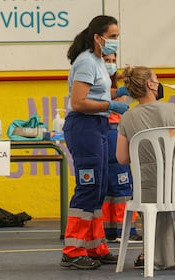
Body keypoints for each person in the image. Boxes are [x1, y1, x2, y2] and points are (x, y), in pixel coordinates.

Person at [59, 15, 129, 270]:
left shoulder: (99, 62)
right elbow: (79, 102)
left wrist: (118, 92)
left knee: (99, 188)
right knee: (88, 187)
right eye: (112, 37)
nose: (116, 42)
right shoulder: (86, 62)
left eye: (117, 37)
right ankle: (73, 249)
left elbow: (96, 93)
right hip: (84, 126)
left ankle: (94, 245)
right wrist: (112, 104)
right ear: (98, 37)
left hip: (97, 125)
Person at [116, 65, 175, 269]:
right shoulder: (173, 110)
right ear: (150, 84)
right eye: (157, 78)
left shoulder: (127, 117)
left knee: (154, 203)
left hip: (147, 191)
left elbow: (121, 158)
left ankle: (152, 253)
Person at [101, 53, 142, 243]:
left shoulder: (119, 87)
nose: (110, 64)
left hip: (112, 133)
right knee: (121, 183)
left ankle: (110, 230)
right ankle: (126, 230)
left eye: (111, 61)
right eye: (106, 60)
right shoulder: (95, 84)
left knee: (111, 184)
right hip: (111, 134)